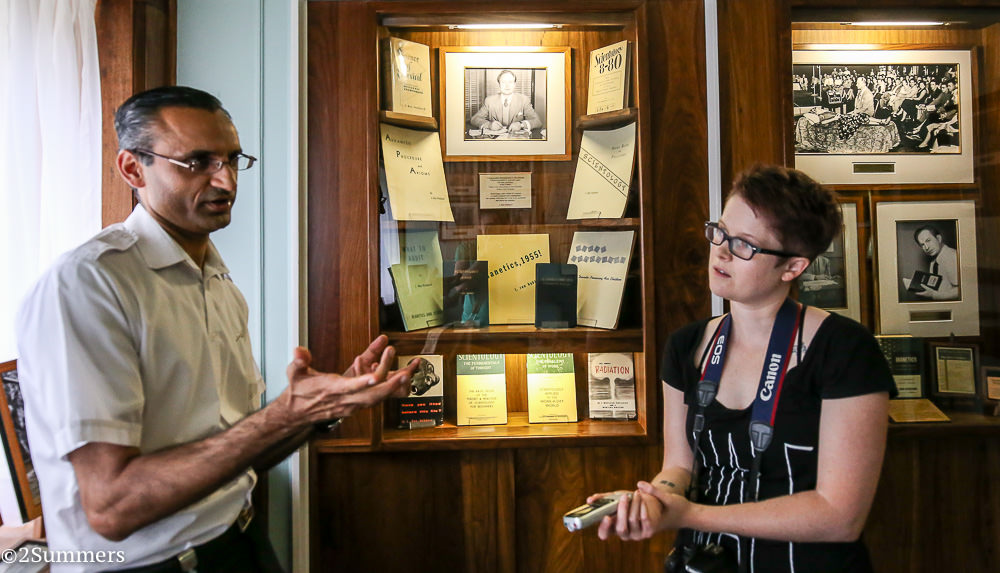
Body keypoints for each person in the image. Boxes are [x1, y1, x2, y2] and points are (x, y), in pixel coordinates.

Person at [15, 86, 420, 572]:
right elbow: (111, 507)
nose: (226, 181)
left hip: (238, 542)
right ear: (132, 168)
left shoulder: (214, 277)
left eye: (232, 159)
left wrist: (321, 411)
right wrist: (285, 415)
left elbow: (231, 451)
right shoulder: (88, 284)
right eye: (198, 162)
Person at [589, 164, 896, 572]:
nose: (721, 250)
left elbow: (840, 517)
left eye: (744, 245)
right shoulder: (687, 345)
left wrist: (689, 515)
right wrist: (655, 500)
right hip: (704, 560)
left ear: (793, 268)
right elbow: (680, 465)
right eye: (719, 231)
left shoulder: (845, 350)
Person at [468, 69, 542, 133]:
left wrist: (521, 124)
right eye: (503, 82)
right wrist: (489, 125)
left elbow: (537, 121)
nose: (507, 86)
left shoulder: (524, 100)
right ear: (499, 84)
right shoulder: (489, 101)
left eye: (510, 82)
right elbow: (474, 119)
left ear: (514, 84)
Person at [912, 224, 959, 300]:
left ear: (938, 238)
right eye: (922, 245)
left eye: (928, 240)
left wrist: (934, 295)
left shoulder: (951, 256)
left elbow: (961, 290)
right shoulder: (934, 262)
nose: (926, 247)